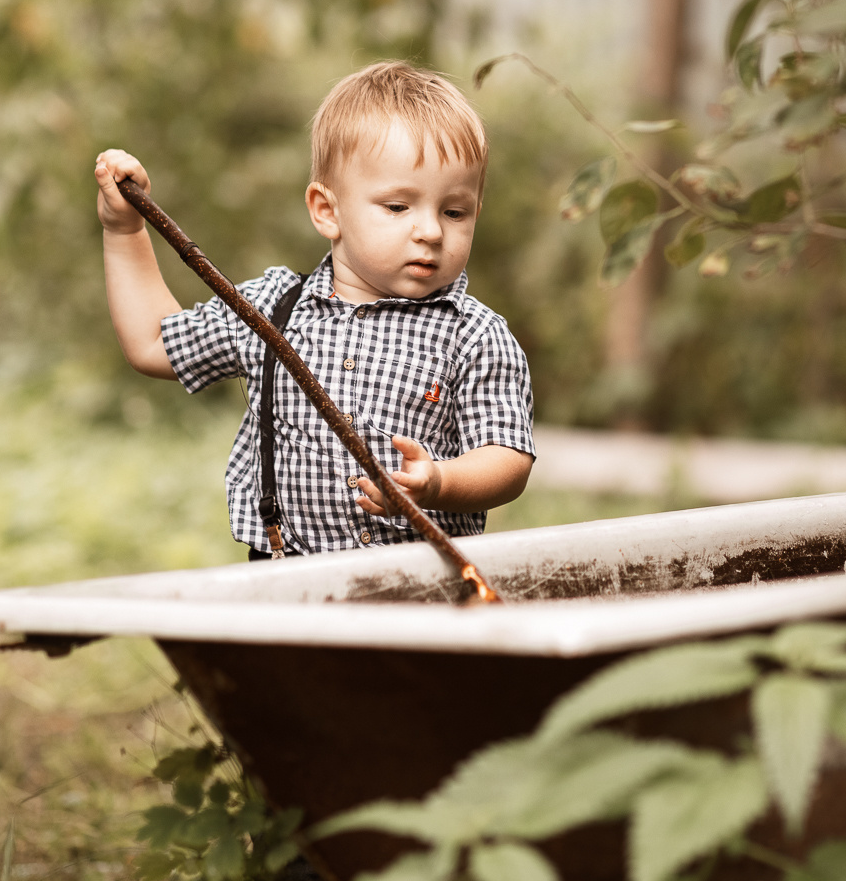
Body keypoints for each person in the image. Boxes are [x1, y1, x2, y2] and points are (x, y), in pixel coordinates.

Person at [93, 61, 535, 559]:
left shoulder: (474, 335)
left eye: (454, 211)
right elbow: (153, 343)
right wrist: (124, 230)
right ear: (328, 211)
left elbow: (507, 457)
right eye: (398, 206)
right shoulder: (272, 310)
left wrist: (440, 482)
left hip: (420, 589)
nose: (431, 231)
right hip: (287, 583)